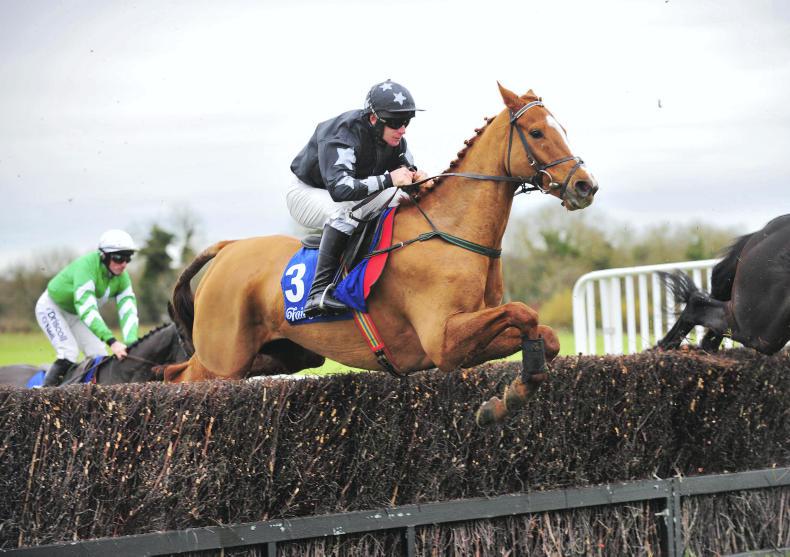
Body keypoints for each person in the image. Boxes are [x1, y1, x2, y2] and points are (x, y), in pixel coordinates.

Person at [288, 79, 431, 317]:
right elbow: (341, 190)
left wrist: (418, 180)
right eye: (396, 123)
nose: (403, 129)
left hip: (349, 194)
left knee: (399, 198)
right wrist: (389, 179)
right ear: (374, 119)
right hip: (307, 193)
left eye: (406, 122)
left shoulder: (396, 141)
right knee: (343, 213)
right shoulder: (342, 134)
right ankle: (318, 293)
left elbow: (405, 176)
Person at [35, 229, 140, 386]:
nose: (123, 264)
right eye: (118, 258)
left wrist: (131, 343)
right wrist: (112, 342)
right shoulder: (87, 267)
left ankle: (85, 394)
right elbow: (87, 309)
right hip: (52, 308)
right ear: (104, 256)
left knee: (99, 354)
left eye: (128, 258)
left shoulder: (122, 278)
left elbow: (128, 310)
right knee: (68, 352)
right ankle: (44, 396)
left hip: (76, 315)